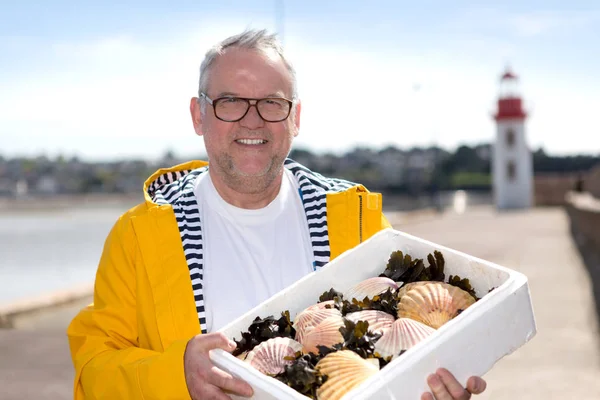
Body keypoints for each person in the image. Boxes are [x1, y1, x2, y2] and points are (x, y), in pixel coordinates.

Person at [67, 29, 487, 400]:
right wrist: (175, 375)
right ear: (198, 116)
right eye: (229, 102)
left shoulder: (357, 222)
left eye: (272, 102)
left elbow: (402, 350)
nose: (253, 121)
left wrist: (428, 386)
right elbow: (94, 370)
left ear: (296, 118)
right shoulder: (139, 236)